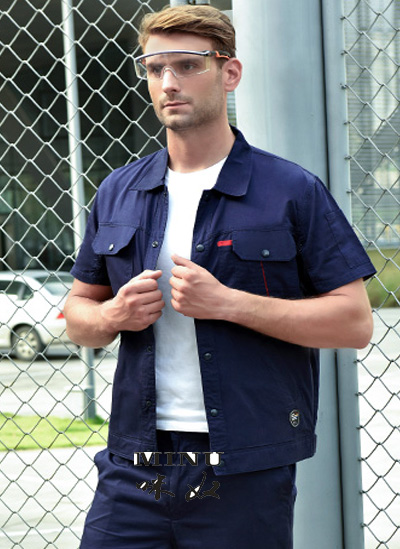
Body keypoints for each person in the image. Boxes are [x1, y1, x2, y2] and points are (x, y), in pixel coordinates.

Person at [64, 4, 376, 548]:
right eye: (155, 68)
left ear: (229, 73)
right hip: (135, 464)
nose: (169, 83)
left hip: (244, 466)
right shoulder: (119, 190)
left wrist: (229, 303)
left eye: (188, 65)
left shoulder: (290, 190)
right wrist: (113, 314)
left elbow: (353, 323)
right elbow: (76, 317)